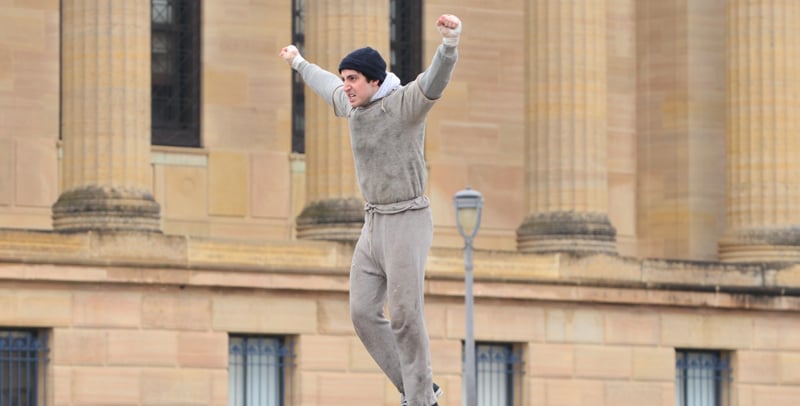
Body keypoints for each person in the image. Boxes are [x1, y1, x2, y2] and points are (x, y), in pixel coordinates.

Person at [280, 14, 462, 406]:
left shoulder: (403, 106)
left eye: (353, 80)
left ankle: (421, 401)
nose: (345, 86)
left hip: (408, 220)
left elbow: (433, 82)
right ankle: (419, 388)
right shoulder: (351, 106)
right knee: (362, 312)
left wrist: (449, 46)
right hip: (374, 222)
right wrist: (298, 62)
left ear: (375, 81)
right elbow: (325, 83)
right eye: (345, 78)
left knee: (405, 315)